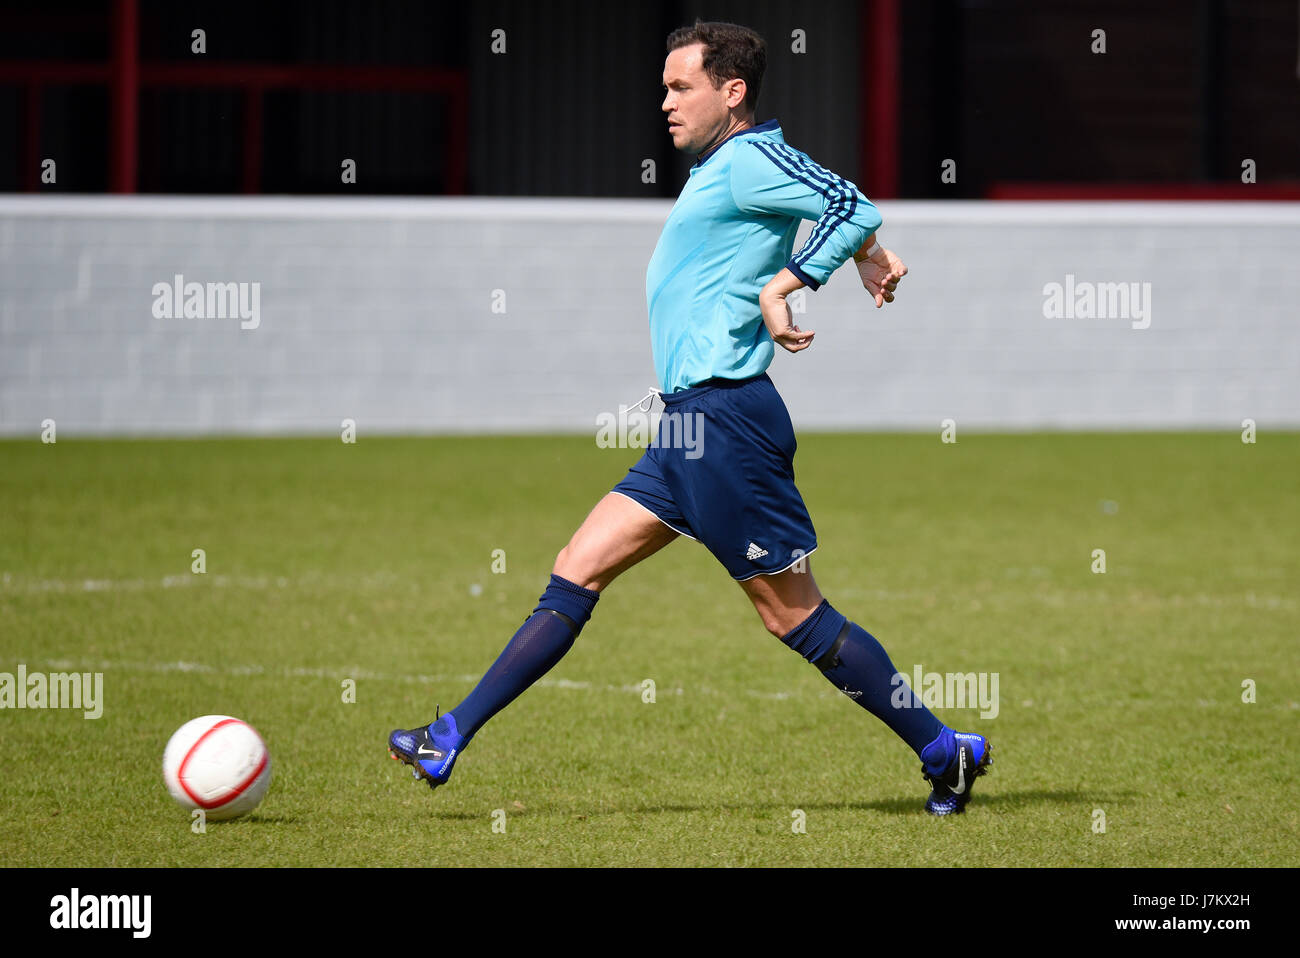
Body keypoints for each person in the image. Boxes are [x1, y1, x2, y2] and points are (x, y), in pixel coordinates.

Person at [389, 20, 991, 816]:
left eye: (682, 88)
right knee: (578, 566)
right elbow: (850, 214)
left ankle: (944, 751)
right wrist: (864, 250)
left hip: (727, 425)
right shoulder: (728, 166)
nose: (666, 104)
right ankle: (450, 736)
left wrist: (791, 282)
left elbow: (850, 200)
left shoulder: (747, 160)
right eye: (665, 88)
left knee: (794, 618)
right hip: (683, 425)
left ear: (731, 92)